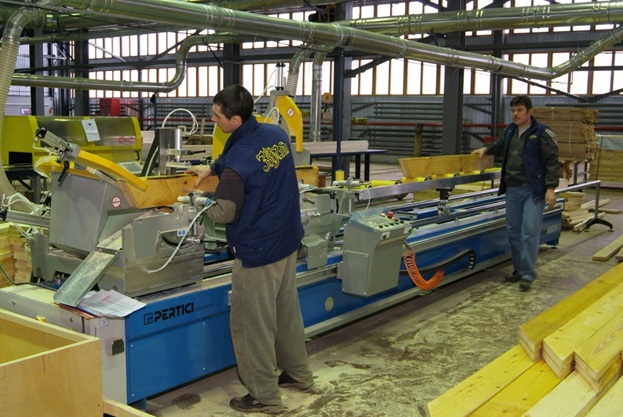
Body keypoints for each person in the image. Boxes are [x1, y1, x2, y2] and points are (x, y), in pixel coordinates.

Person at [186, 84, 314, 413]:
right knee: (286, 313)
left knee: (251, 326)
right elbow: (245, 158)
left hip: (258, 252)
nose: (213, 120)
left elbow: (225, 213)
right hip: (287, 240)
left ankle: (264, 396)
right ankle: (299, 374)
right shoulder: (275, 134)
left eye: (217, 117)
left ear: (235, 120)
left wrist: (198, 202)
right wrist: (212, 168)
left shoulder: (238, 162)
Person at [472, 95, 559, 292]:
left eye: (519, 110)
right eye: (513, 110)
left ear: (530, 112)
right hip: (512, 188)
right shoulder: (510, 130)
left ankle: (528, 274)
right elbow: (500, 145)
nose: (515, 114)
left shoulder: (542, 133)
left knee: (529, 231)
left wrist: (550, 188)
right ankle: (519, 269)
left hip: (533, 190)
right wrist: (486, 149)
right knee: (513, 232)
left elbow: (552, 162)